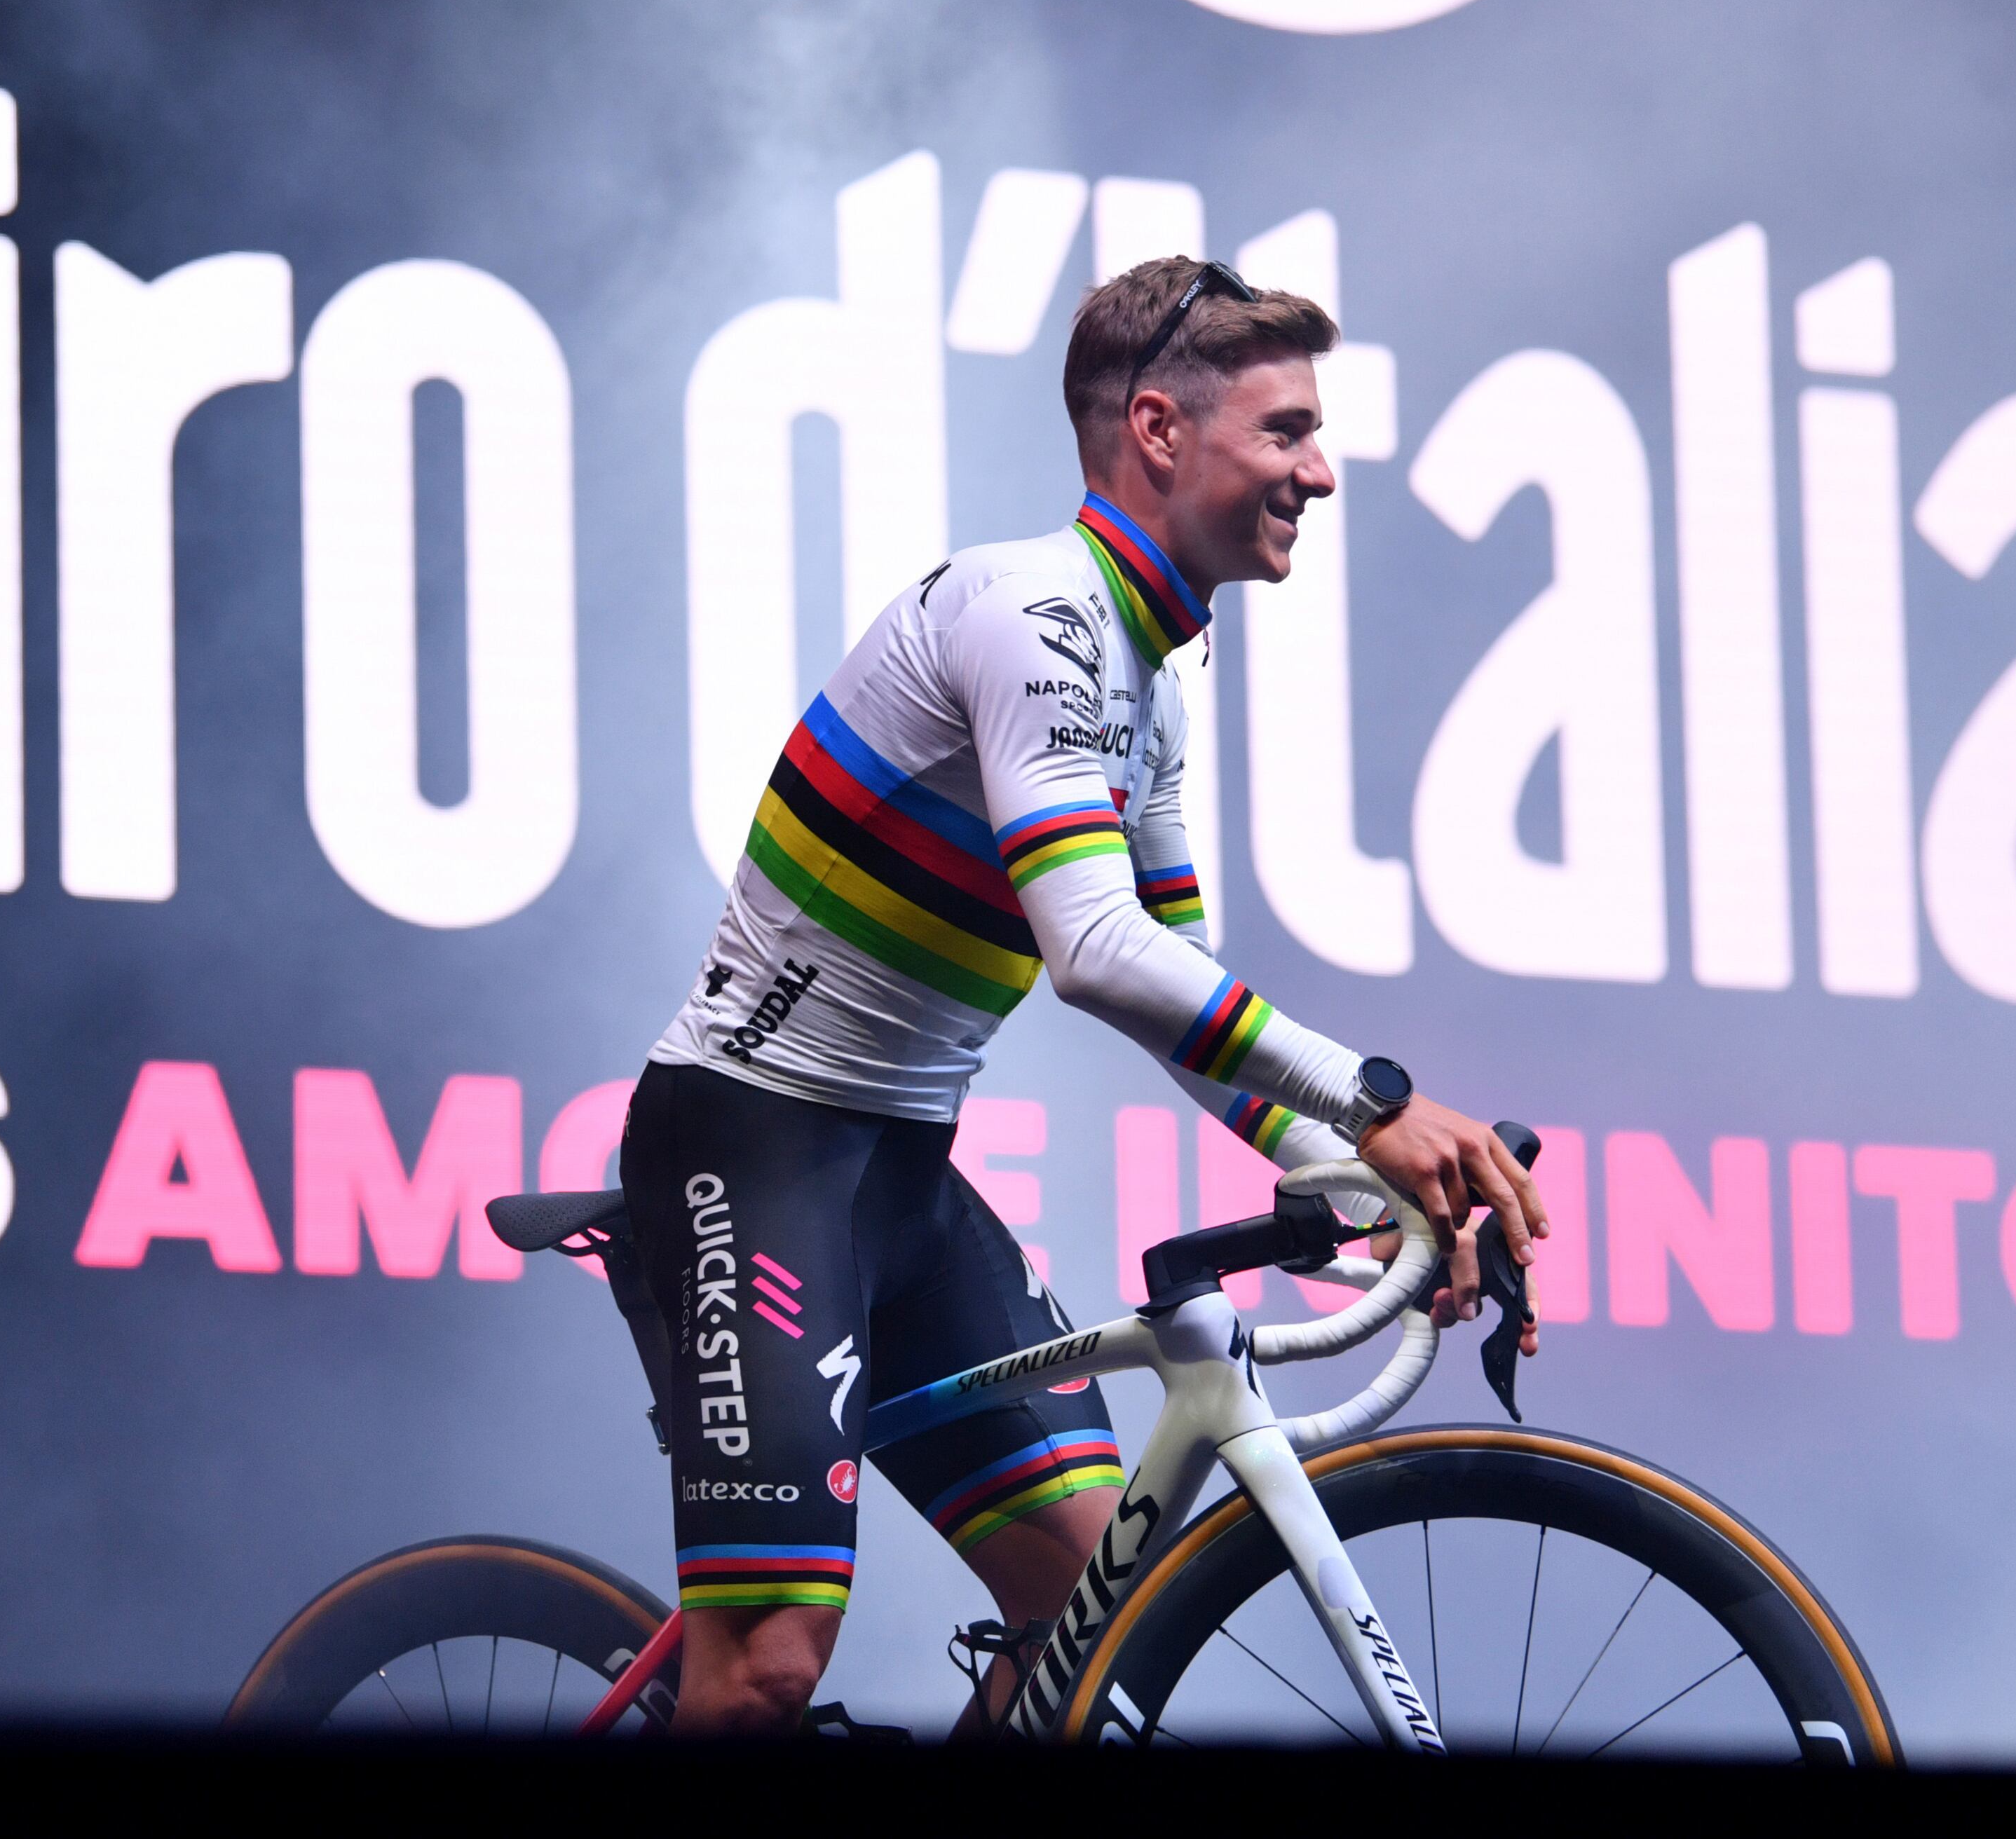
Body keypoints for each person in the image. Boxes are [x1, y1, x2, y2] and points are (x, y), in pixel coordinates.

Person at [618, 256, 1547, 1736]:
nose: (1321, 470)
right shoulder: (1030, 609)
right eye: (1287, 430)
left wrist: (1360, 1183)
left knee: (1088, 1613)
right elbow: (1095, 945)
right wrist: (1377, 1101)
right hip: (751, 1143)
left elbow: (1184, 993)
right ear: (1163, 430)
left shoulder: (1148, 684)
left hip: (901, 1177)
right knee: (767, 1670)